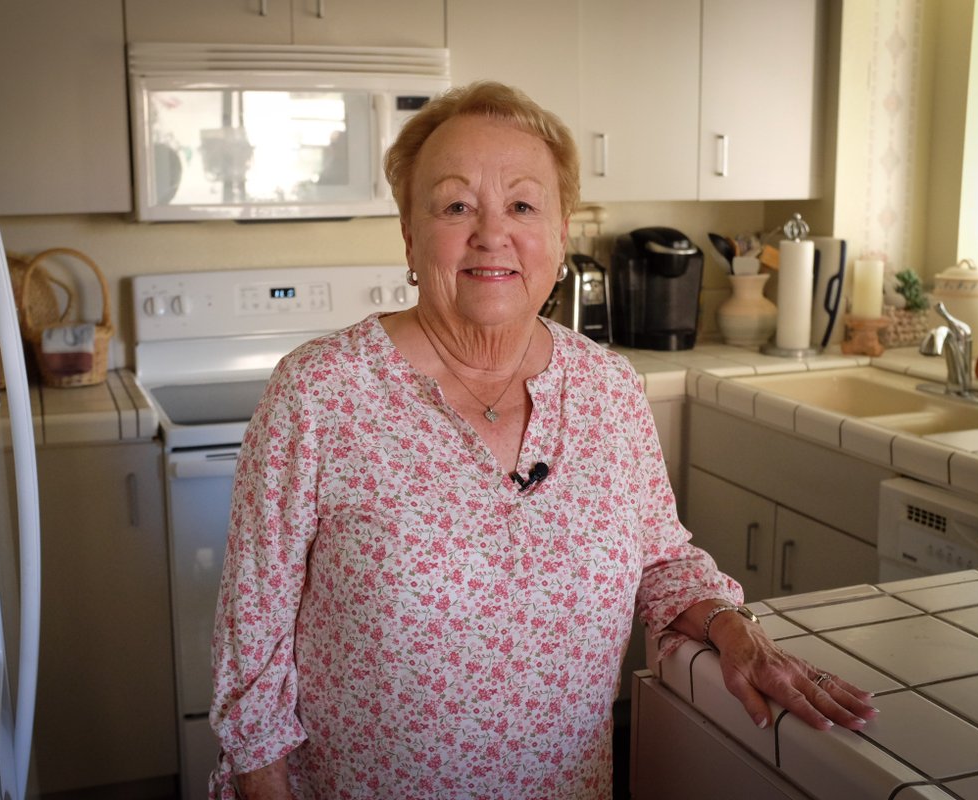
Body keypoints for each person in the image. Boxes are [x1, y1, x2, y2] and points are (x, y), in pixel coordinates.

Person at [209, 81, 878, 800]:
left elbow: (658, 558)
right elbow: (256, 627)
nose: (491, 234)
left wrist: (731, 624)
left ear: (561, 236)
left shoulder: (608, 391)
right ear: (409, 233)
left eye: (523, 205)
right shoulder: (319, 393)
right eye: (456, 205)